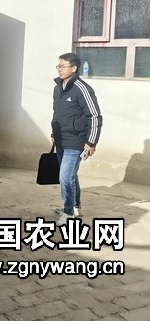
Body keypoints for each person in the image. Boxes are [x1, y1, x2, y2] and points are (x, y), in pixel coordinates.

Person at [52, 52, 102, 226]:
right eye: (58, 66)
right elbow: (57, 113)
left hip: (76, 141)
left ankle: (68, 212)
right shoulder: (58, 87)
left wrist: (91, 142)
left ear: (73, 68)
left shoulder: (82, 88)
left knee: (65, 177)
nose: (59, 69)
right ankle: (75, 206)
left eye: (63, 66)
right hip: (61, 139)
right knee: (70, 175)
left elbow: (94, 116)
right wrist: (54, 134)